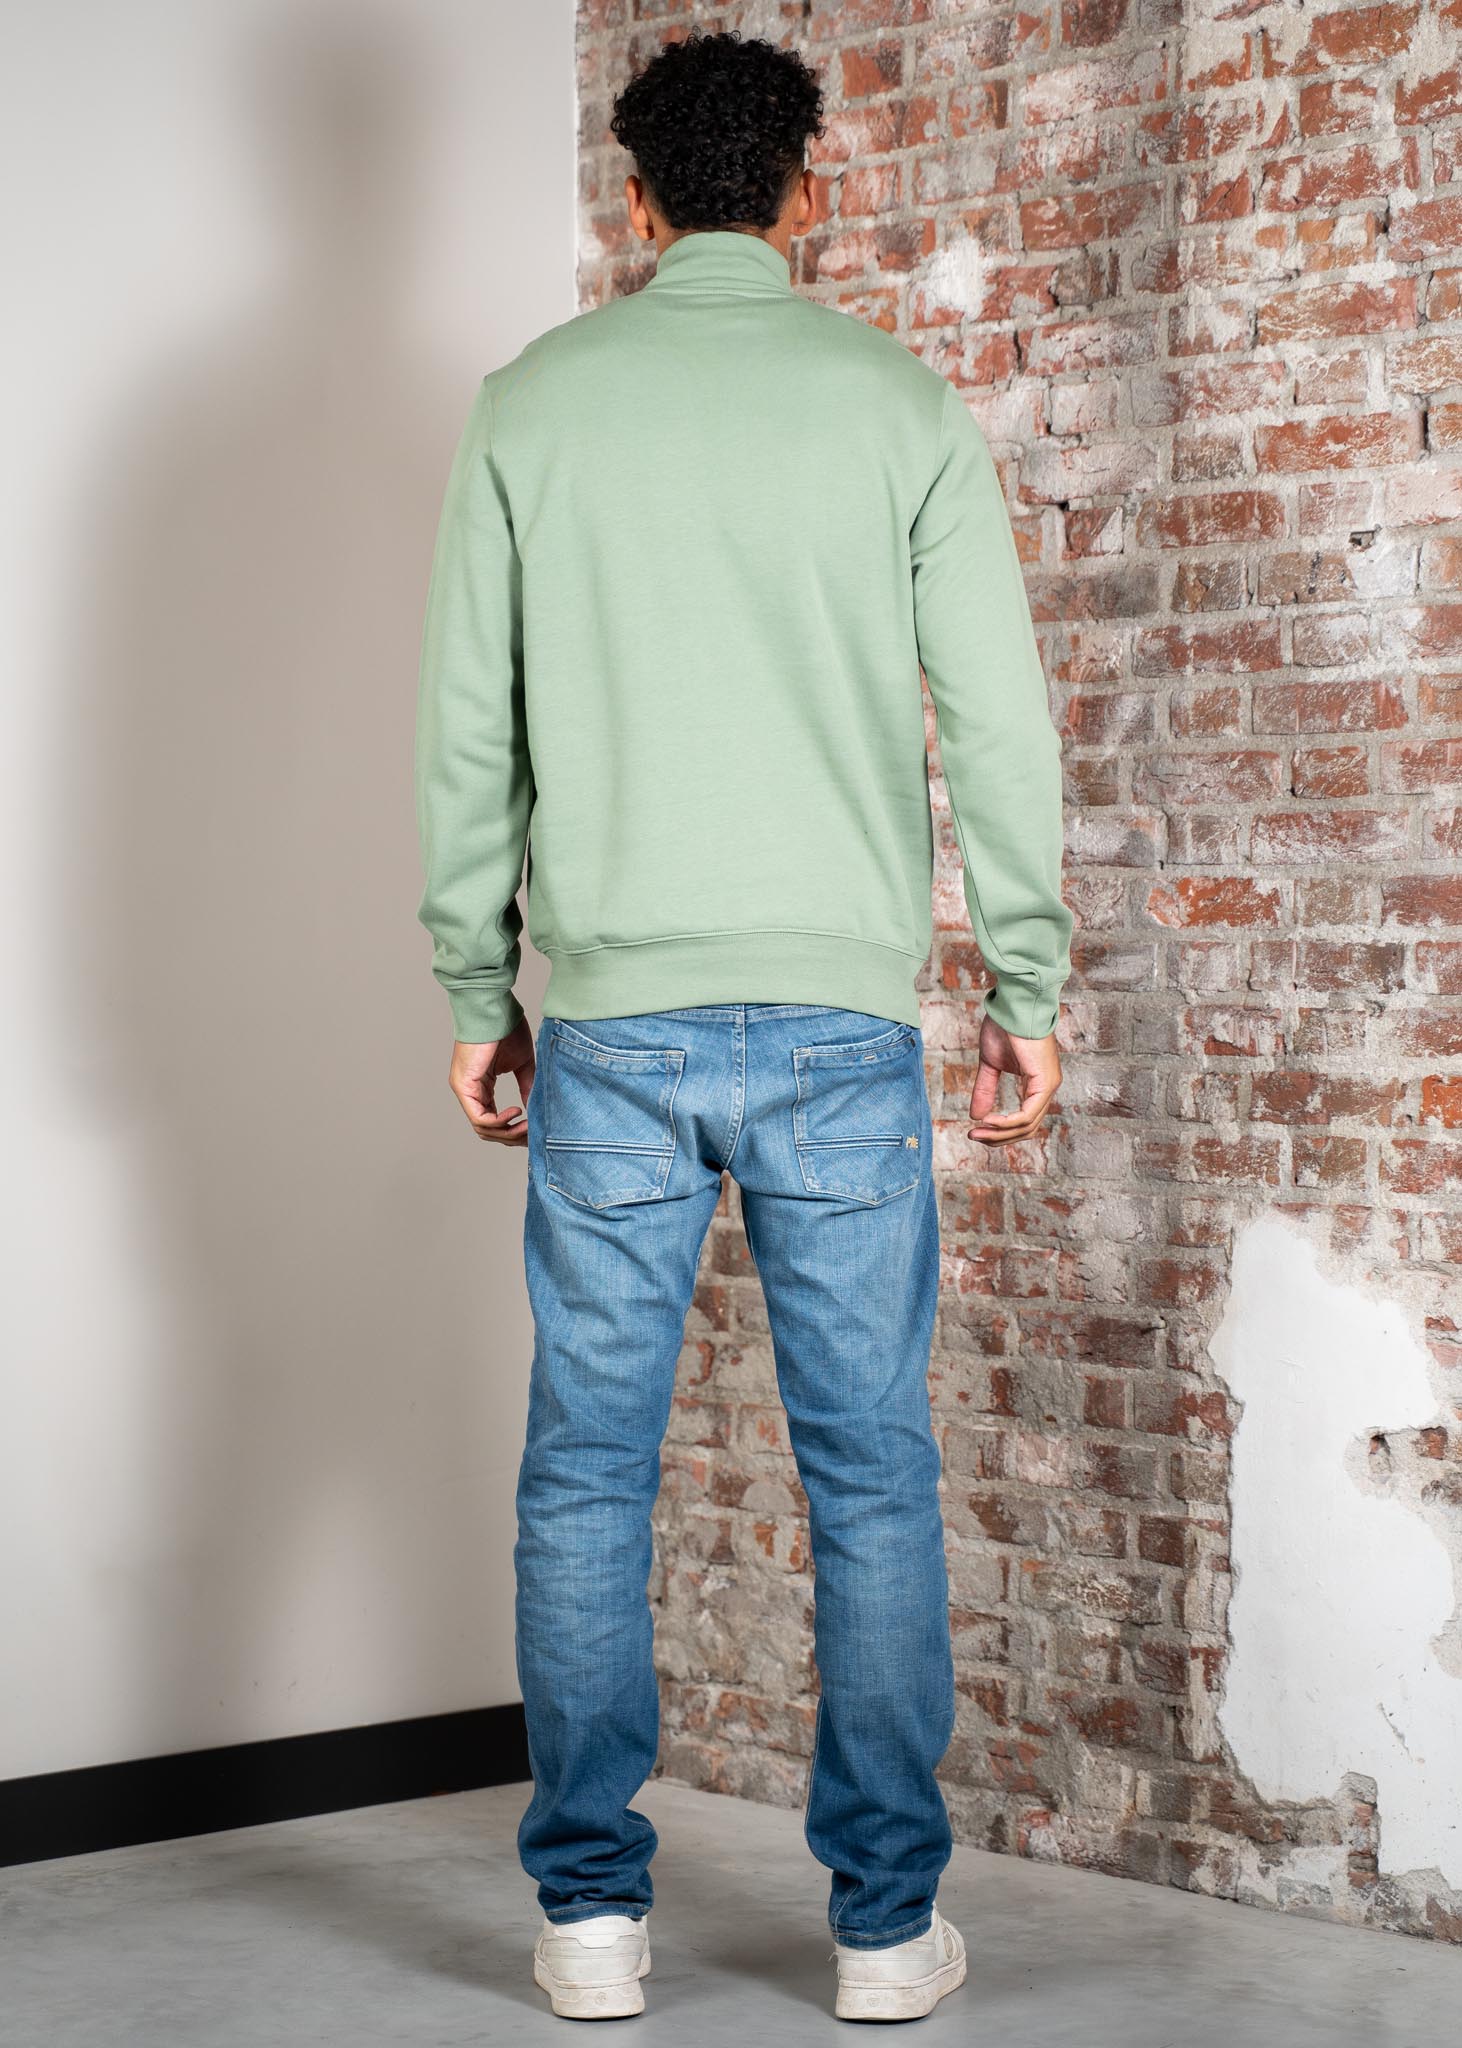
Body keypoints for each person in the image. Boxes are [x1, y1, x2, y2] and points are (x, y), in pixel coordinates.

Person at [413, 26, 1071, 2026]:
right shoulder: (895, 406)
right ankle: (879, 1930)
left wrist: (476, 989)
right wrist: (1021, 986)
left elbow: (468, 735)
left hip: (611, 1025)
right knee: (866, 1473)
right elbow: (999, 727)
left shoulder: (530, 409)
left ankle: (589, 1923)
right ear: (808, 195)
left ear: (634, 202)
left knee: (582, 1475)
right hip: (834, 1033)